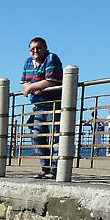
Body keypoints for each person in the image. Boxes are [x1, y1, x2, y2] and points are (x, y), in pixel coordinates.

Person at [21, 37, 63, 178]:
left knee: (56, 138)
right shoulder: (28, 62)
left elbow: (50, 81)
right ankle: (46, 168)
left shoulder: (52, 58)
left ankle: (56, 171)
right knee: (37, 137)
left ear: (45, 48)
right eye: (32, 49)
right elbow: (24, 83)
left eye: (38, 48)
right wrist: (34, 87)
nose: (35, 51)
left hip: (54, 105)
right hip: (38, 106)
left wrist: (33, 86)